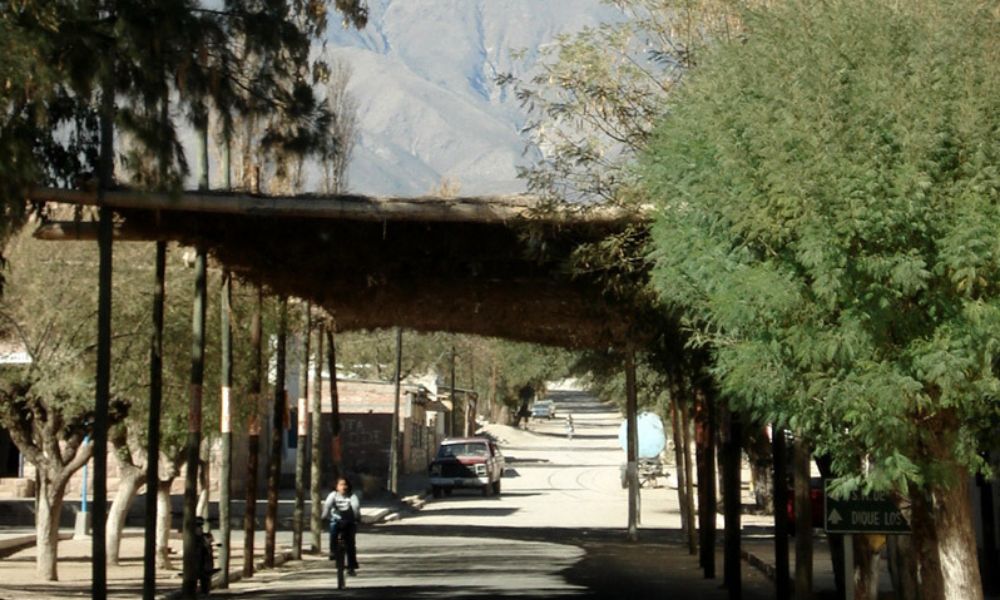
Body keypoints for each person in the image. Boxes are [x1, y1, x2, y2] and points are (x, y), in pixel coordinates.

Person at [322, 476, 361, 575]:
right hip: (337, 520)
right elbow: (327, 506)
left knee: (350, 544)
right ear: (336, 487)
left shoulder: (352, 496)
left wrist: (357, 518)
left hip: (349, 521)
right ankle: (333, 552)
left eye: (345, 485)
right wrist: (323, 517)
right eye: (341, 485)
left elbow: (356, 508)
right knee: (333, 530)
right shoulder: (333, 495)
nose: (343, 487)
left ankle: (351, 566)